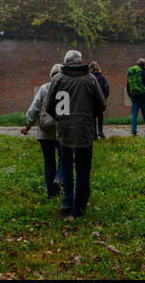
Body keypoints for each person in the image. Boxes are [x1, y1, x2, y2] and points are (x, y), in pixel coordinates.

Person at [46, 49, 107, 219]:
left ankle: (67, 201)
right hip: (85, 129)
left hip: (64, 130)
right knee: (83, 169)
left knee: (65, 164)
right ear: (80, 61)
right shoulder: (90, 79)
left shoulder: (57, 79)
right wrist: (87, 114)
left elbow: (50, 106)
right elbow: (101, 105)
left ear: (65, 61)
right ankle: (78, 208)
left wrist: (61, 118)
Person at [22, 64, 65, 197]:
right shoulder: (66, 89)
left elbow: (34, 108)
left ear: (51, 75)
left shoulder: (44, 88)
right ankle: (59, 178)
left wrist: (27, 125)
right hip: (61, 132)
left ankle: (52, 194)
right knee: (65, 158)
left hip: (45, 132)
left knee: (49, 163)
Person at [89, 61, 110, 139]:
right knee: (100, 115)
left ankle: (94, 135)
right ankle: (100, 131)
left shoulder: (89, 77)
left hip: (92, 101)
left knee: (93, 117)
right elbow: (106, 88)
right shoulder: (101, 77)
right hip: (100, 100)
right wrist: (104, 97)